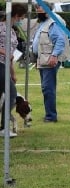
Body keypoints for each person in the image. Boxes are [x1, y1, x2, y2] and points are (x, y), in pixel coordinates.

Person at [32, 1, 70, 123]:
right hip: (43, 59)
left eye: (40, 8)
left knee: (48, 88)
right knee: (46, 88)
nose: (38, 10)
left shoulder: (52, 23)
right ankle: (49, 114)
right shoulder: (43, 23)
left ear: (47, 10)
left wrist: (54, 56)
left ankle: (51, 116)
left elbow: (60, 40)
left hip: (49, 60)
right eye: (36, 8)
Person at [0, 3, 27, 137]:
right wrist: (4, 52)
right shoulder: (1, 27)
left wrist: (12, 74)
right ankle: (4, 128)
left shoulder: (11, 30)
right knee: (11, 94)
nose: (21, 20)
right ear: (16, 15)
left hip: (4, 65)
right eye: (21, 17)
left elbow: (10, 55)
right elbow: (7, 53)